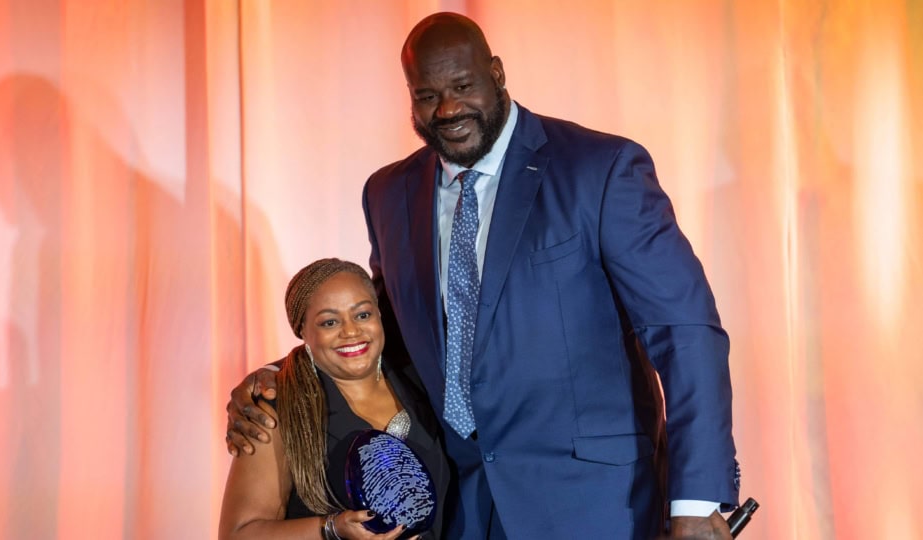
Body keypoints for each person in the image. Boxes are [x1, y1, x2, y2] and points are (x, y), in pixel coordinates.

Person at [226, 12, 740, 539]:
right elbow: (390, 333)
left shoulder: (601, 169)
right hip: (460, 507)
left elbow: (685, 333)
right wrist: (283, 379)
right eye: (426, 95)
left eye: (463, 86)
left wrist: (696, 503)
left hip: (596, 505)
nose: (447, 109)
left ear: (496, 73)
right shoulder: (388, 193)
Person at [219, 258, 450, 539]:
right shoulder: (275, 408)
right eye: (329, 322)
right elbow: (239, 533)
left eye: (363, 315)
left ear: (379, 314)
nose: (351, 331)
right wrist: (332, 529)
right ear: (302, 330)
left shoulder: (421, 379)